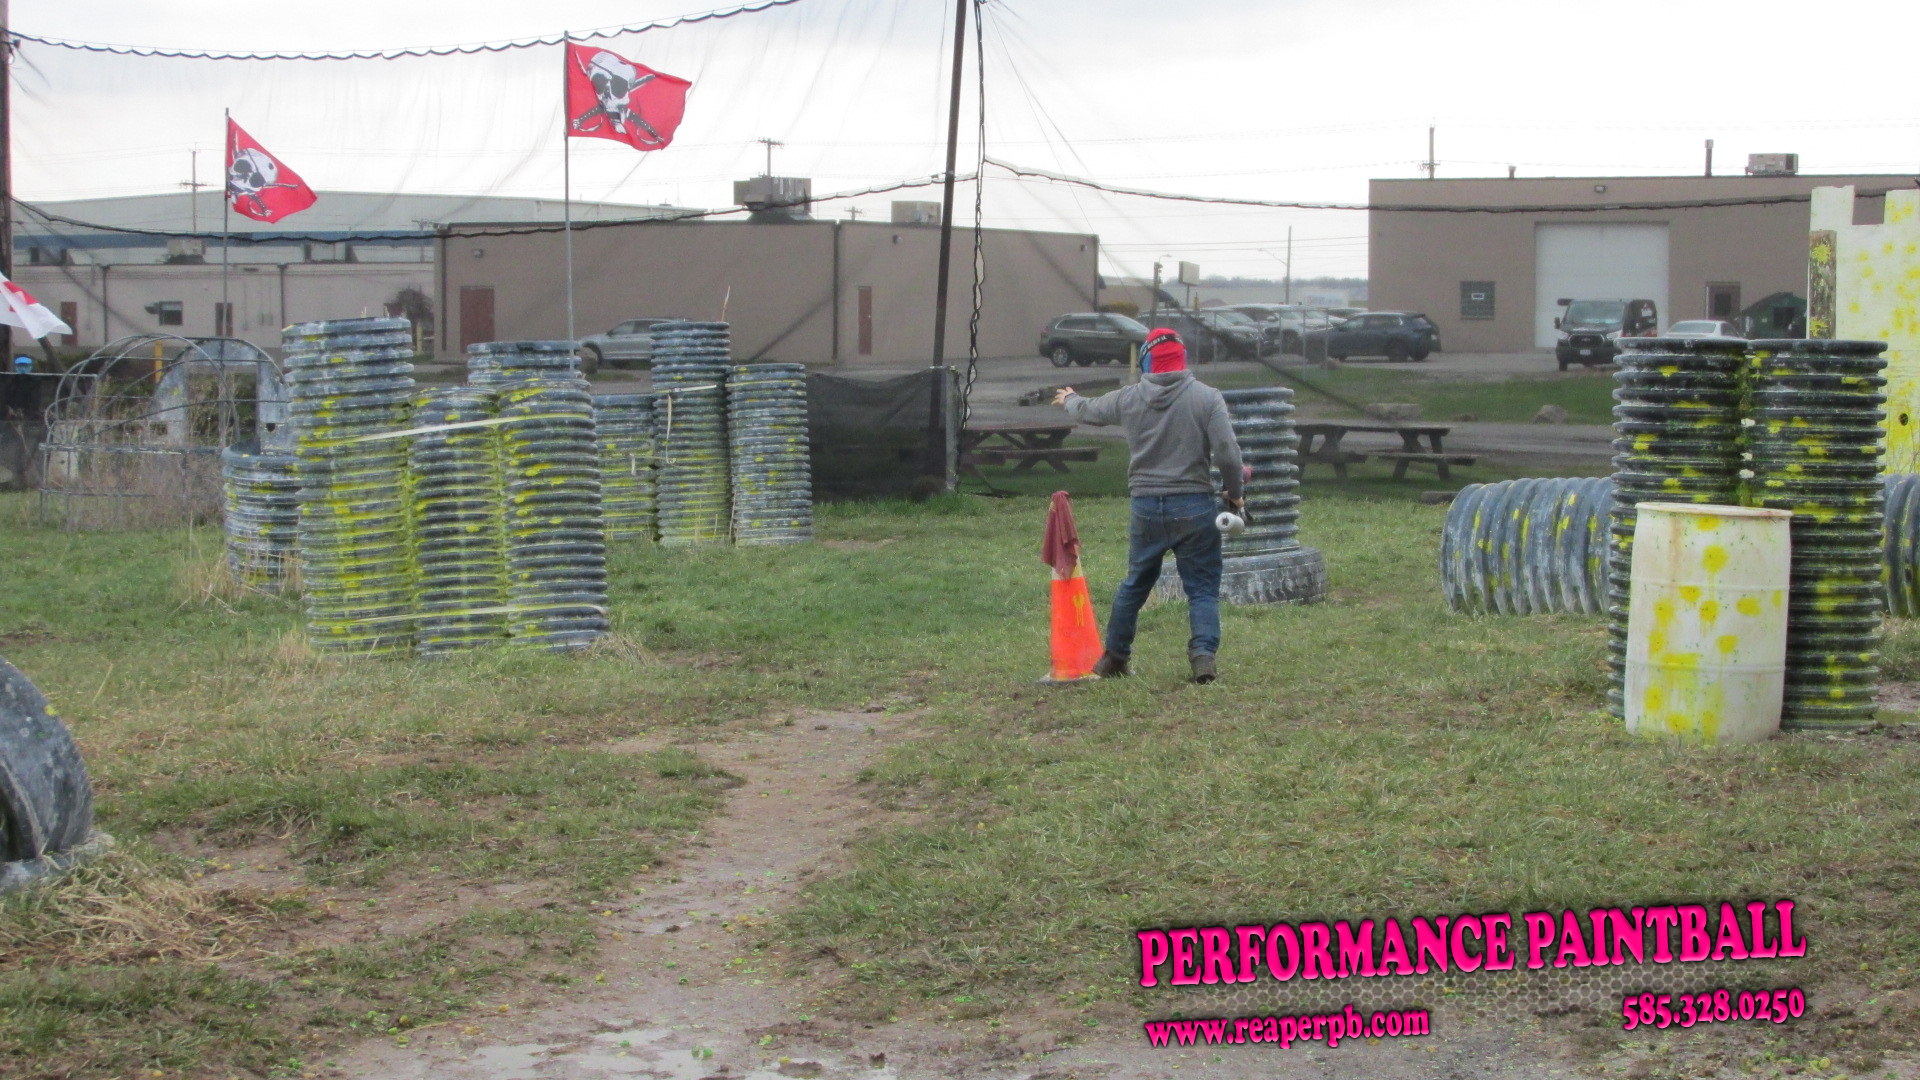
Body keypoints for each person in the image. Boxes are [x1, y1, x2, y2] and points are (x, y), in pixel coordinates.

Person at [1053, 327, 1244, 683]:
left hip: (1145, 507)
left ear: (1146, 361)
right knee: (1202, 588)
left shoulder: (1129, 398)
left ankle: (1114, 658)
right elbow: (1228, 454)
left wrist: (1070, 398)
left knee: (1136, 583)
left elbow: (1089, 411)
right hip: (1194, 506)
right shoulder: (1207, 398)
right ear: (1182, 358)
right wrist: (1235, 493)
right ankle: (1203, 658)